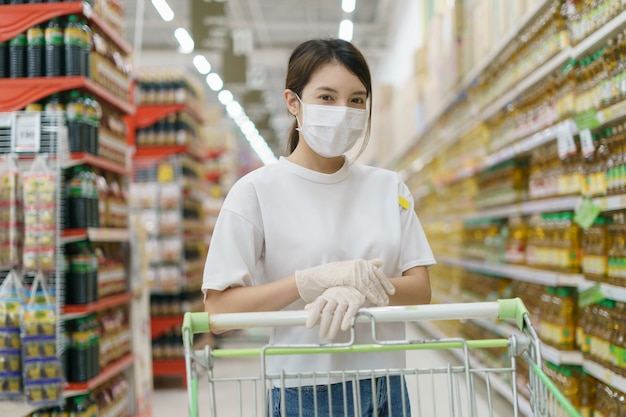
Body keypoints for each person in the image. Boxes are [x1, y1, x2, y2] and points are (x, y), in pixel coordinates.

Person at [202, 38, 436, 416]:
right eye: (327, 98)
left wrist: (364, 288)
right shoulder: (255, 192)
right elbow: (217, 312)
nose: (343, 111)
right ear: (293, 102)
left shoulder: (388, 187)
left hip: (387, 383)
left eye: (356, 100)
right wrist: (306, 282)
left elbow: (421, 290)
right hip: (306, 388)